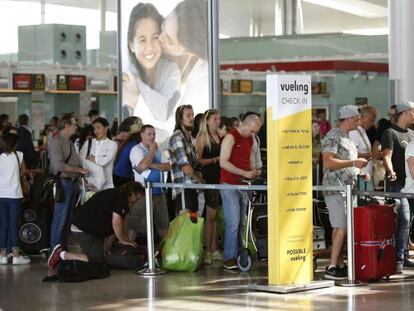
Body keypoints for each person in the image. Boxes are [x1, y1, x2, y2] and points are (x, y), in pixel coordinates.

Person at [47, 182, 143, 271]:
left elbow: (112, 230)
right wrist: (123, 240)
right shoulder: (120, 198)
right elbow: (116, 223)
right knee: (96, 260)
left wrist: (107, 249)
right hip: (82, 229)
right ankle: (61, 255)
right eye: (138, 198)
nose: (138, 201)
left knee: (101, 257)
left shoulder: (119, 197)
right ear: (133, 193)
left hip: (91, 230)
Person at [123, 2, 181, 143]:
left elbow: (163, 113)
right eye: (142, 40)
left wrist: (137, 87)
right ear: (131, 45)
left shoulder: (171, 70)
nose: (150, 47)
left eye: (155, 37)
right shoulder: (126, 75)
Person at [322, 105, 368, 280]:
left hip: (347, 188)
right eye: (356, 119)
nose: (359, 121)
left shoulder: (347, 137)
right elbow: (328, 162)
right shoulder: (333, 135)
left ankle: (339, 265)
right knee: (341, 227)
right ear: (348, 119)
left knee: (341, 227)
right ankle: (332, 267)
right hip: (336, 187)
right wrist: (353, 163)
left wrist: (360, 171)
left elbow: (347, 162)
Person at [219, 113, 261, 270]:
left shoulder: (250, 139)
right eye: (251, 131)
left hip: (244, 184)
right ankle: (228, 257)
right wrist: (244, 173)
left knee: (242, 222)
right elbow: (223, 162)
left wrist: (253, 170)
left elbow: (249, 158)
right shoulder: (231, 137)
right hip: (229, 184)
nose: (253, 134)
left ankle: (238, 253)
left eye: (255, 132)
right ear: (244, 124)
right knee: (233, 222)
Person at [48, 114, 89, 252]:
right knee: (60, 218)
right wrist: (79, 170)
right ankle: (55, 250)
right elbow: (58, 165)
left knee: (66, 219)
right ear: (67, 126)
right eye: (74, 124)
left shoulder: (68, 140)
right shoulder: (56, 141)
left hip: (71, 183)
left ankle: (62, 249)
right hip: (62, 183)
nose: (76, 127)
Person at [159, 0, 209, 113]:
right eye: (163, 25)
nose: (160, 38)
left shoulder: (201, 86)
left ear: (190, 51)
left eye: (169, 41)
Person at [382, 101, 414, 273]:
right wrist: (391, 171)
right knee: (404, 220)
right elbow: (386, 156)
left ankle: (404, 256)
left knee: (408, 222)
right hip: (397, 185)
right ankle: (398, 260)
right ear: (405, 113)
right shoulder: (390, 132)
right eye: (413, 112)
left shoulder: (411, 134)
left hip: (410, 185)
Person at [127, 125, 170, 241]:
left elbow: (168, 166)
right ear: (142, 135)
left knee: (163, 223)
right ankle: (128, 247)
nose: (152, 137)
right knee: (135, 223)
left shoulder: (158, 149)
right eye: (149, 134)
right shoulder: (136, 150)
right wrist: (151, 151)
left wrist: (152, 165)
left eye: (154, 134)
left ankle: (166, 253)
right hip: (142, 192)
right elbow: (141, 167)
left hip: (159, 191)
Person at [195, 109, 222, 264]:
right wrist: (214, 159)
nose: (218, 121)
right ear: (207, 121)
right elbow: (198, 160)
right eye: (215, 119)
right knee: (210, 216)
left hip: (220, 178)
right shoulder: (202, 137)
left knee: (216, 214)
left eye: (219, 119)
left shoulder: (219, 136)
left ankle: (214, 247)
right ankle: (208, 251)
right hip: (208, 178)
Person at [0, 132, 31, 265]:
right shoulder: (19, 155)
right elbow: (23, 172)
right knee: (14, 224)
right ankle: (16, 255)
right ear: (16, 144)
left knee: (3, 225)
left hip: (1, 195)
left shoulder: (0, 157)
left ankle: (2, 255)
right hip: (14, 195)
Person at [168, 105, 203, 213]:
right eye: (188, 115)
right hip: (183, 186)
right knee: (185, 223)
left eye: (192, 115)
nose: (192, 118)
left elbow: (195, 165)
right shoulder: (177, 137)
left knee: (193, 223)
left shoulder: (191, 139)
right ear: (180, 119)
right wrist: (199, 179)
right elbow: (186, 168)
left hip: (192, 186)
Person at [79, 117, 117, 191]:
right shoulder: (89, 142)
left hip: (107, 185)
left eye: (98, 128)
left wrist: (93, 158)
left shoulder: (112, 144)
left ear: (106, 128)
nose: (96, 131)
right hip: (89, 184)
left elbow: (106, 160)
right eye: (94, 129)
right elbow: (81, 159)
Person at [349, 105, 379, 179]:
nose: (373, 123)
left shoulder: (363, 131)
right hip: (359, 176)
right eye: (371, 120)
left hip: (365, 176)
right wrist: (372, 155)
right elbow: (351, 155)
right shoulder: (354, 132)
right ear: (363, 117)